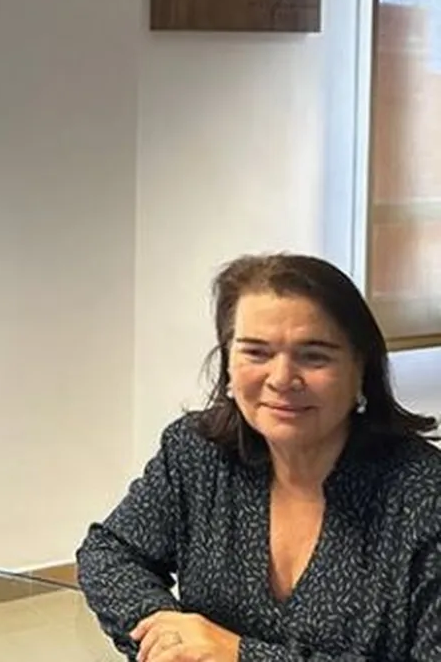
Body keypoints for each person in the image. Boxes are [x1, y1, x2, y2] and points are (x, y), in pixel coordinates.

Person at [77, 253, 441, 661]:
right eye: (256, 352)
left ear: (361, 369)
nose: (282, 379)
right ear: (228, 365)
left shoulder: (425, 495)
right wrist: (173, 640)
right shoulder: (197, 454)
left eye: (314, 355)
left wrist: (239, 654)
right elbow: (110, 553)